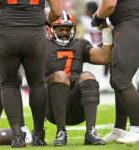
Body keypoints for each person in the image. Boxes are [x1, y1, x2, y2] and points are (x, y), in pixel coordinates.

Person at [0, 0, 62, 148]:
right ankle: (38, 135)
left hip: (6, 33)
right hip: (35, 34)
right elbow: (57, 11)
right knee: (37, 83)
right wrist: (44, 20)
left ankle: (17, 136)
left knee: (8, 83)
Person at [45, 10, 113, 146]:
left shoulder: (80, 44)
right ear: (50, 29)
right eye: (60, 29)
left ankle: (91, 132)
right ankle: (61, 132)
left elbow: (105, 58)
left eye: (67, 29)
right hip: (52, 105)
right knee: (60, 75)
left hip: (78, 104)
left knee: (88, 76)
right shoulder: (41, 45)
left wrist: (106, 31)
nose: (64, 32)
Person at [91, 0, 139, 144]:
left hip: (131, 23)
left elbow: (109, 5)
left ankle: (137, 128)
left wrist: (97, 18)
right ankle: (119, 128)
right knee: (117, 79)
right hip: (127, 24)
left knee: (121, 79)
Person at [0, 0, 32, 145]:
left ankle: (16, 126)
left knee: (10, 76)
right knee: (7, 75)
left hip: (15, 20)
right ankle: (14, 127)